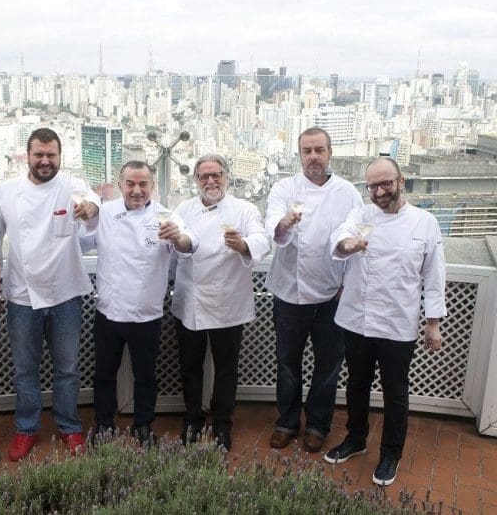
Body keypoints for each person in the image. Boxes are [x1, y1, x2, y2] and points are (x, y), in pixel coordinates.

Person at [324, 157, 446, 486]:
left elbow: (434, 276)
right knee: (357, 385)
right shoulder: (362, 215)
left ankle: (391, 454)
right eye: (372, 186)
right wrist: (348, 244)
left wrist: (433, 322)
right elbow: (341, 236)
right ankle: (356, 439)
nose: (378, 192)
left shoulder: (424, 222)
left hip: (398, 322)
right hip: (358, 319)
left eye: (385, 184)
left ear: (401, 181)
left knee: (395, 392)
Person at [0, 127, 100, 461]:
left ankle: (69, 426)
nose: (45, 160)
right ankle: (26, 428)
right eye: (38, 154)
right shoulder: (6, 192)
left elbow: (94, 204)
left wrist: (90, 210)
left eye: (51, 154)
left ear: (60, 156)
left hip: (66, 293)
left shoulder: (72, 187)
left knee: (67, 368)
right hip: (23, 296)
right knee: (25, 370)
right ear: (27, 155)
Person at [80, 160, 196, 444]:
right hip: (109, 310)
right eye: (130, 184)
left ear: (152, 187)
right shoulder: (105, 214)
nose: (136, 190)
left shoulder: (165, 216)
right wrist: (86, 214)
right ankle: (104, 423)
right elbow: (81, 243)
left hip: (147, 313)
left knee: (146, 376)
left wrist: (179, 238)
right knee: (104, 374)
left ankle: (143, 425)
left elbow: (188, 245)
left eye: (143, 184)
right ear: (120, 186)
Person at [265, 127, 363, 452]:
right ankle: (287, 421)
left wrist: (345, 285)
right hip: (290, 293)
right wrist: (285, 223)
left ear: (330, 153)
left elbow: (355, 238)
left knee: (329, 364)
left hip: (333, 294)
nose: (313, 157)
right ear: (300, 155)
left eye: (319, 150)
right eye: (307, 151)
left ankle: (318, 425)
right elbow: (272, 225)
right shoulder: (284, 187)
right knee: (287, 361)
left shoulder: (348, 193)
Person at [171, 154, 270, 450]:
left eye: (216, 175)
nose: (210, 181)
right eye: (204, 177)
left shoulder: (244, 209)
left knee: (227, 369)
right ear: (196, 181)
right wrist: (181, 242)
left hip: (229, 302)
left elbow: (262, 239)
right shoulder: (184, 209)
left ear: (227, 177)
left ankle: (222, 423)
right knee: (190, 366)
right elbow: (182, 239)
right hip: (192, 301)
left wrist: (243, 245)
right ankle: (192, 419)